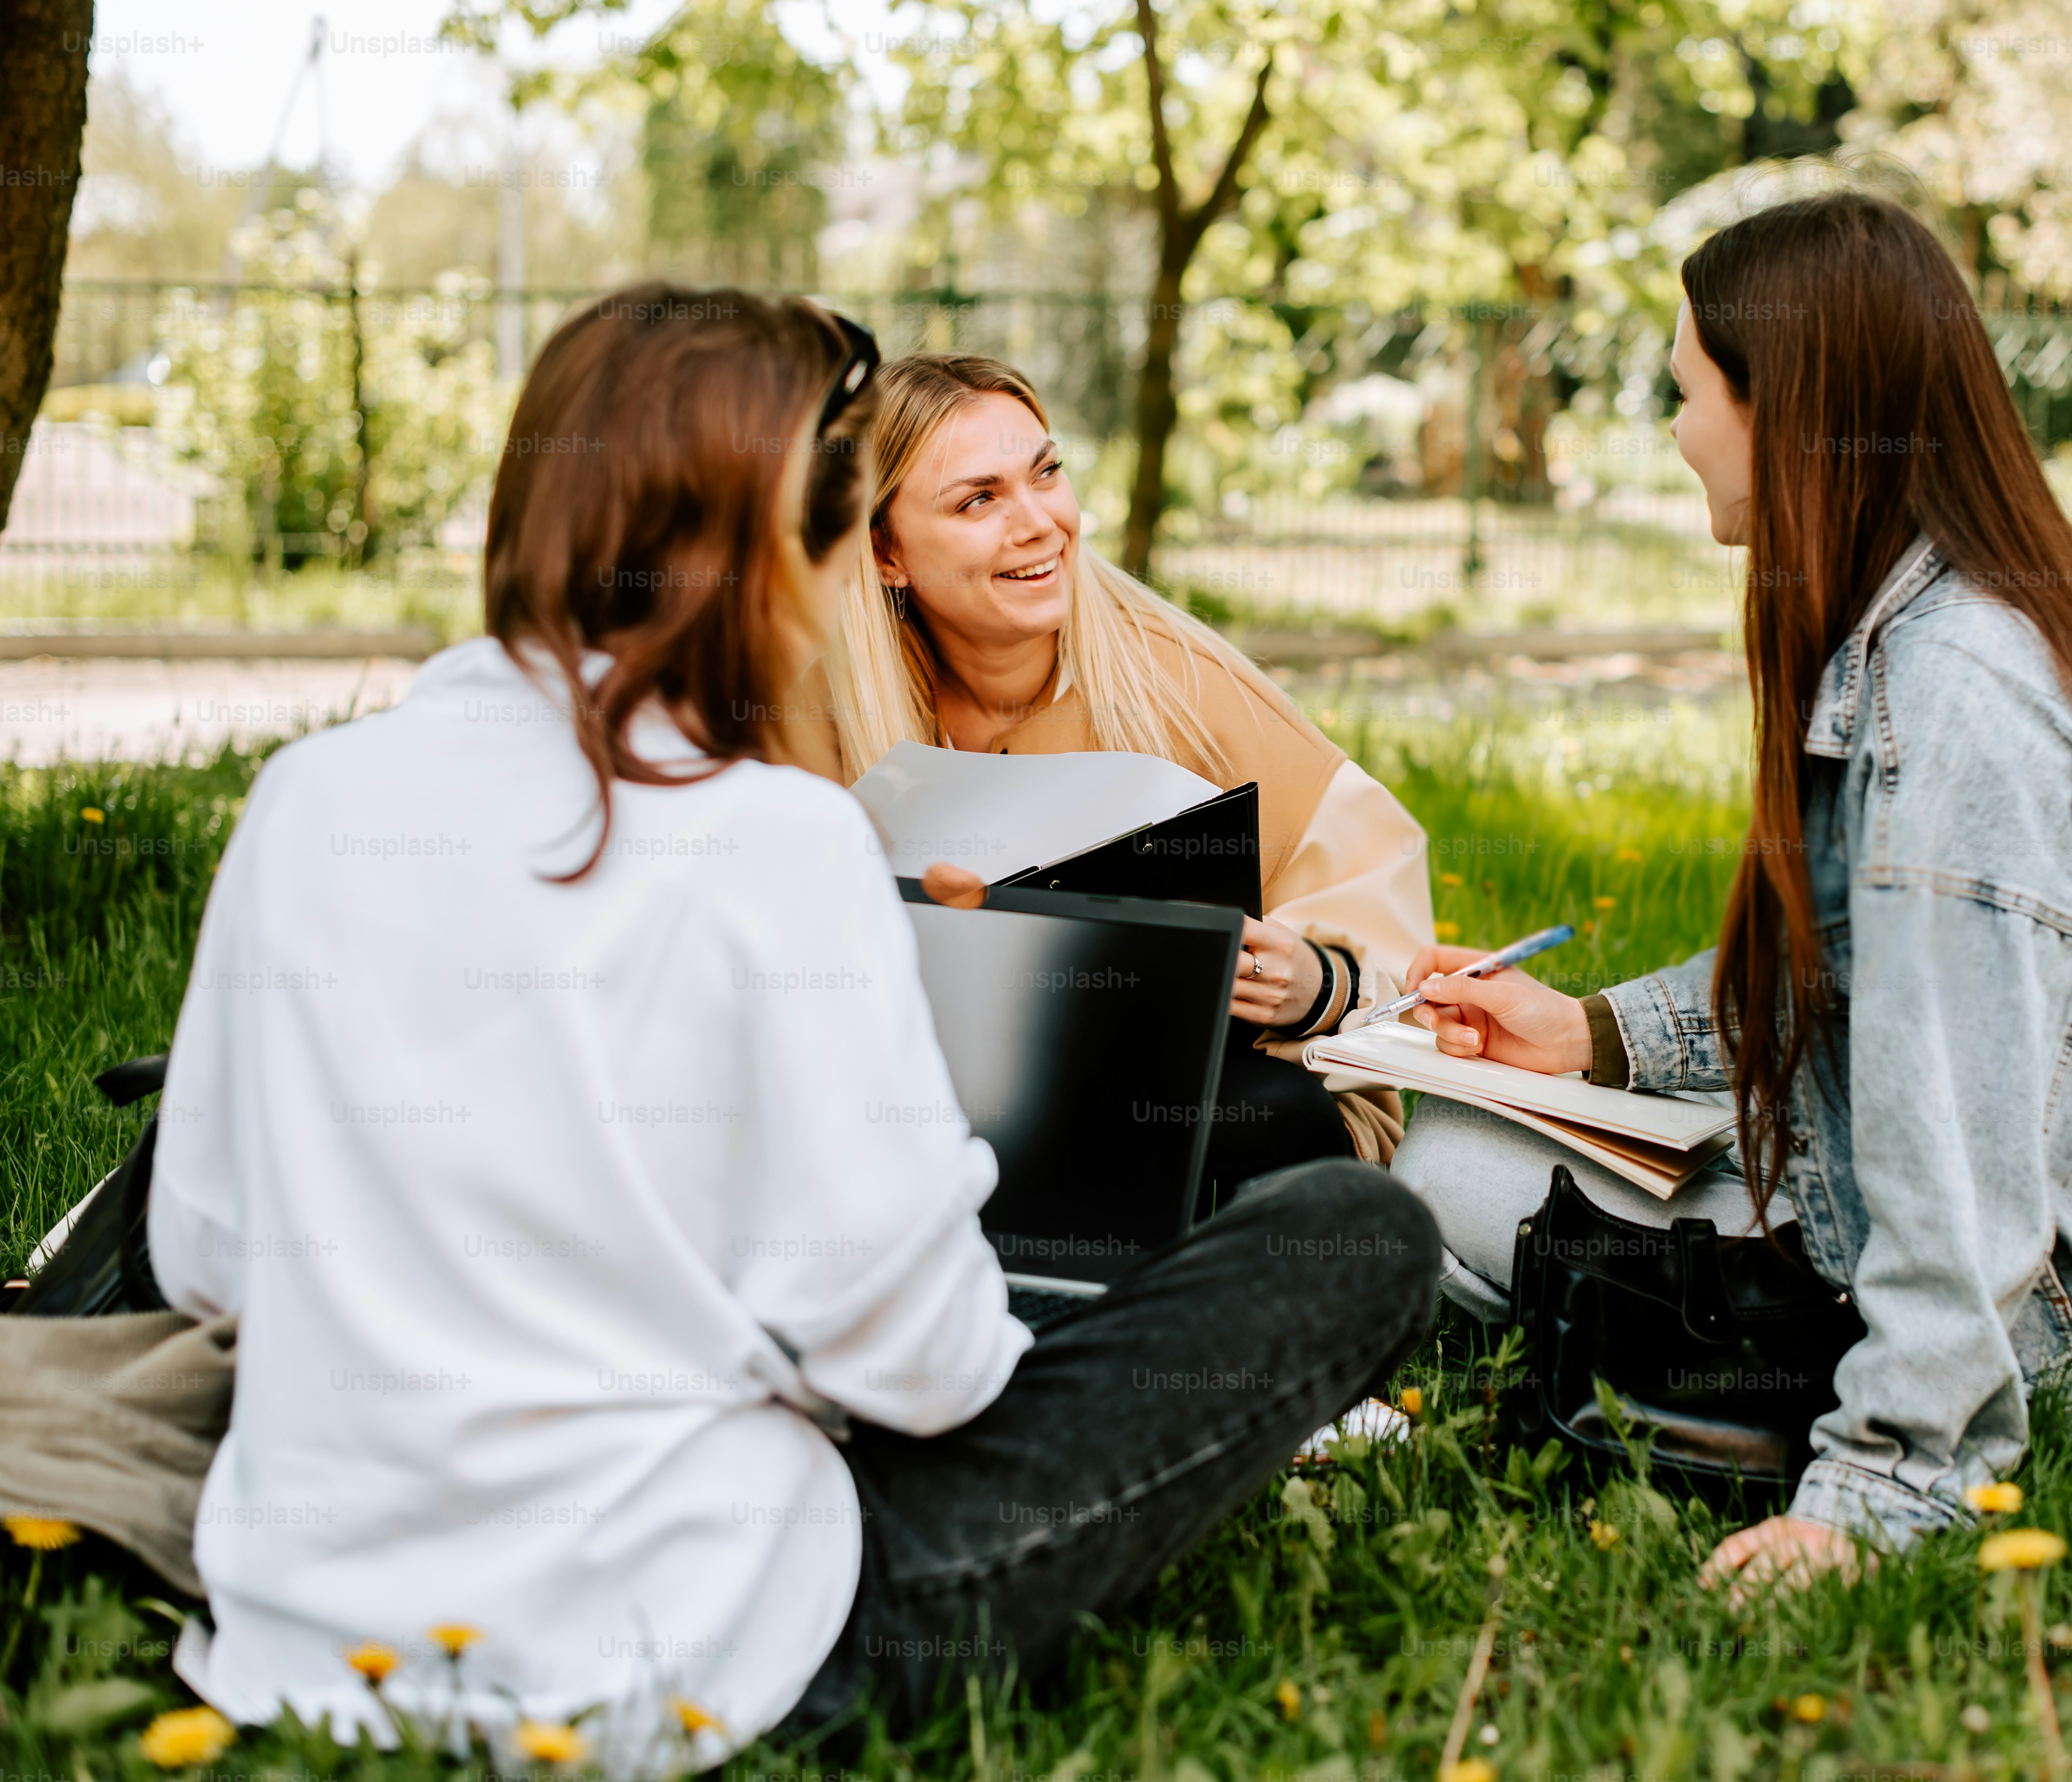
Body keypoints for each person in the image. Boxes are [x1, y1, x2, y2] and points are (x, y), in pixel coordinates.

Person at [141, 285, 1439, 1772]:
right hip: (704, 1646)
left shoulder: (307, 798)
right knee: (1355, 1237)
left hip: (308, 1641)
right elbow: (923, 1368)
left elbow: (205, 1257)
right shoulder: (775, 838)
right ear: (801, 555)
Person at [1387, 190, 2072, 1593]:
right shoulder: (1973, 606)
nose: (1675, 432)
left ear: (1784, 417)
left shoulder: (1949, 710)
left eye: (1687, 394)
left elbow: (1963, 1136)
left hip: (2062, 1286)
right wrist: (1591, 1037)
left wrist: (1881, 1487)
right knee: (1450, 1137)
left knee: (1428, 1172)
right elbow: (1862, 973)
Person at [792, 354, 1434, 1186]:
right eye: (979, 499)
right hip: (928, 1080)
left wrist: (1315, 982)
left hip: (1191, 1093)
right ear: (886, 552)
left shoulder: (1188, 692)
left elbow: (1389, 965)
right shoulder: (819, 713)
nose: (1039, 522)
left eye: (1046, 473)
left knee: (1265, 1118)